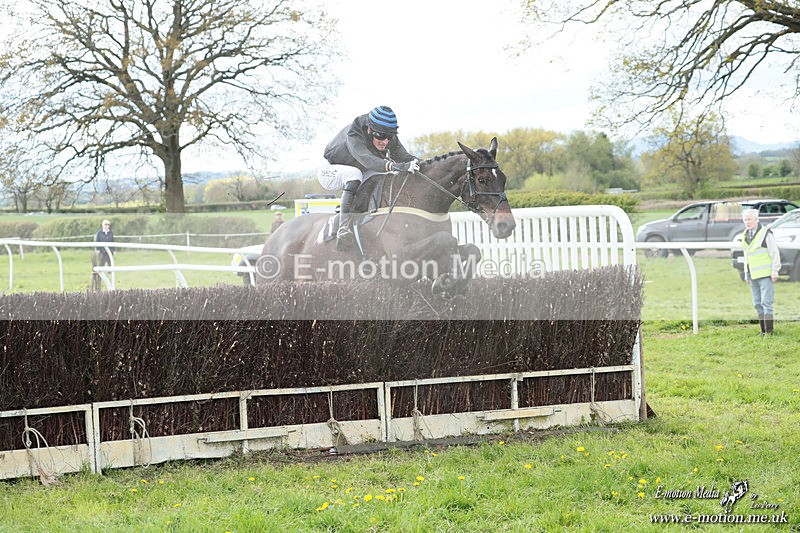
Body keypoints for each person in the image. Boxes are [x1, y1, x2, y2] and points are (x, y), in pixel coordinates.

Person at [318, 106, 420, 251]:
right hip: (329, 171)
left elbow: (405, 157)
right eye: (380, 136)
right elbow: (367, 160)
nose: (384, 141)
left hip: (360, 170)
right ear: (369, 130)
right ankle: (343, 228)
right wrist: (398, 166)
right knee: (355, 174)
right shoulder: (353, 134)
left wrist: (428, 164)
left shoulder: (386, 132)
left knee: (385, 176)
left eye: (389, 137)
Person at [741, 208, 781, 335]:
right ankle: (763, 331)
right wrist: (746, 273)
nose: (747, 222)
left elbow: (774, 253)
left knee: (766, 302)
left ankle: (769, 332)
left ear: (757, 219)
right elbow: (746, 256)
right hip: (752, 275)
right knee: (757, 303)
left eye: (750, 219)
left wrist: (775, 270)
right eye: (745, 220)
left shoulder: (765, 233)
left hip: (765, 275)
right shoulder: (744, 235)